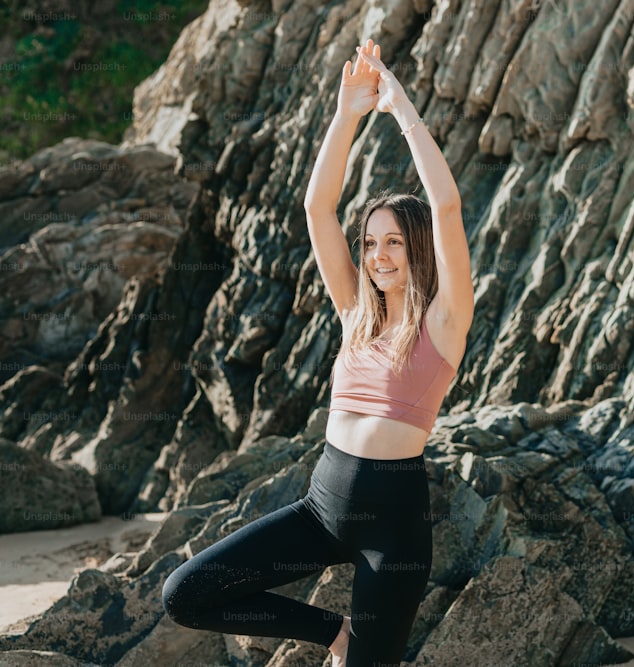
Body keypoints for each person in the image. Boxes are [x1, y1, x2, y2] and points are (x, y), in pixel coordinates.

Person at [161, 40, 474, 667]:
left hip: (394, 529)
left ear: (419, 248)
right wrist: (347, 114)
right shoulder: (356, 315)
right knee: (186, 594)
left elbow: (444, 205)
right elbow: (316, 207)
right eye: (371, 243)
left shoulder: (445, 321)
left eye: (394, 243)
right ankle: (333, 632)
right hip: (321, 507)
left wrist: (400, 108)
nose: (378, 255)